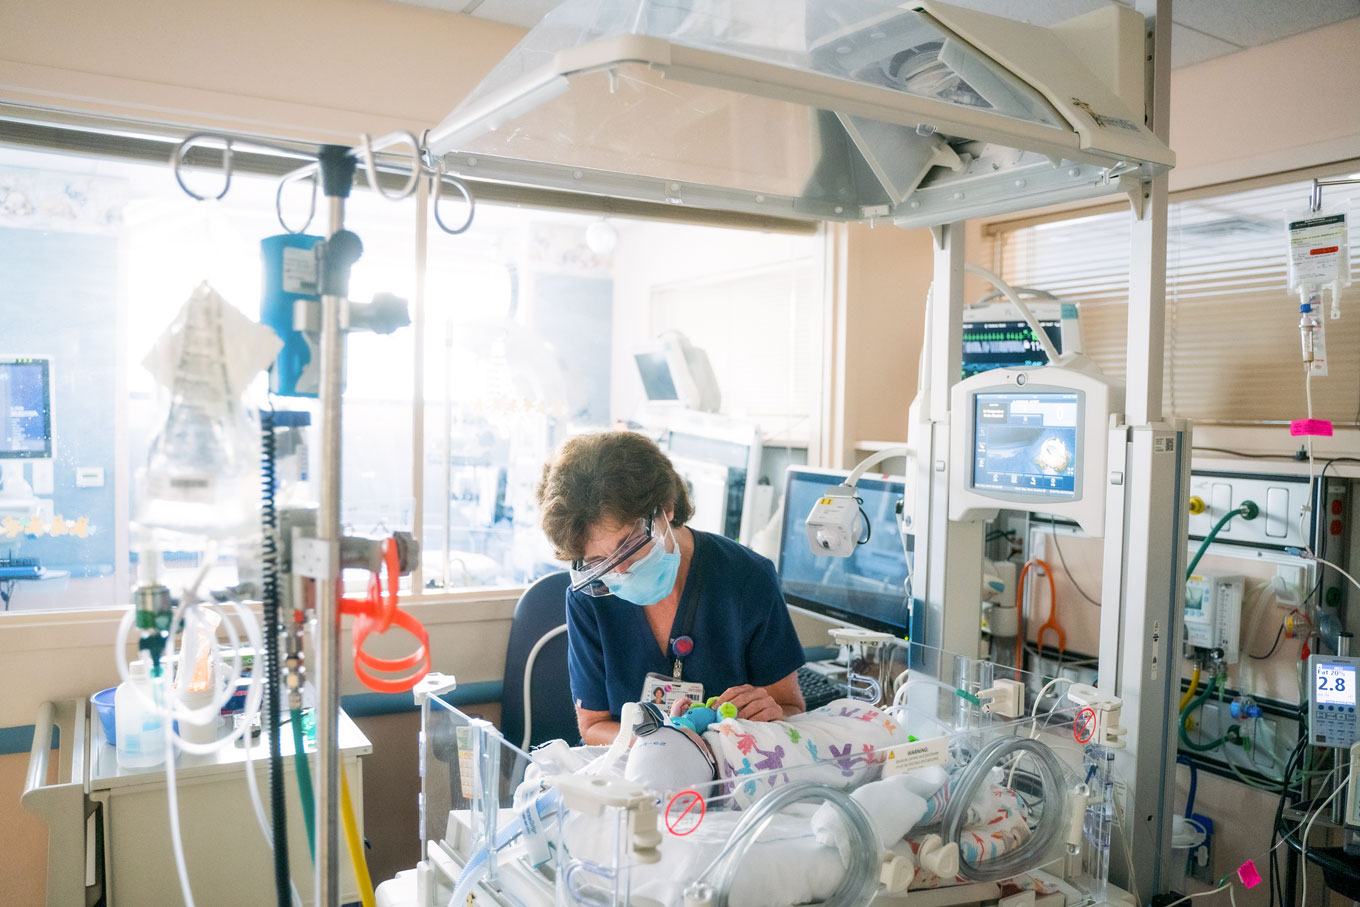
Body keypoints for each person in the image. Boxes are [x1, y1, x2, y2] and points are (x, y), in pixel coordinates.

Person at [536, 430, 805, 745]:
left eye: (630, 544)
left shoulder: (747, 578)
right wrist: (670, 743)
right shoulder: (590, 597)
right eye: (598, 560)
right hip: (632, 777)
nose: (620, 570)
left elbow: (790, 708)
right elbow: (593, 727)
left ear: (667, 507)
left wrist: (769, 714)